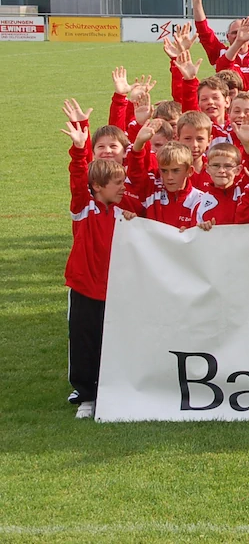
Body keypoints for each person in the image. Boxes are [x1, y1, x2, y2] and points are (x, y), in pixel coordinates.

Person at [61, 113, 137, 419]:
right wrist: (79, 150)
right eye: (117, 184)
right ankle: (87, 396)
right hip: (85, 287)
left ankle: (118, 390)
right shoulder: (83, 207)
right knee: (85, 341)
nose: (123, 188)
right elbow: (78, 180)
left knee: (117, 340)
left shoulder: (127, 208)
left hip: (120, 288)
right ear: (97, 186)